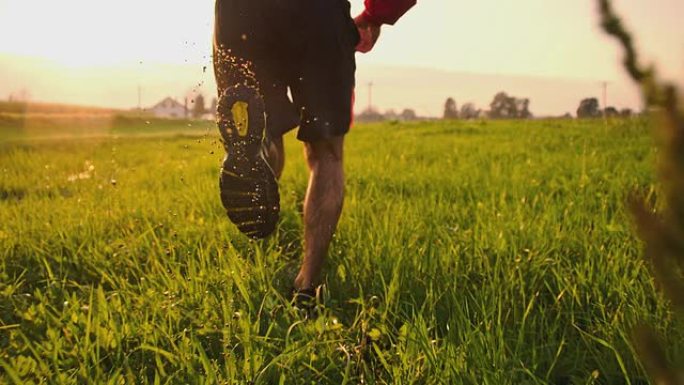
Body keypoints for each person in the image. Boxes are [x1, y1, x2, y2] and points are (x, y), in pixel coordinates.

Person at [213, 0, 415, 301]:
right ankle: (307, 286)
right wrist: (377, 14)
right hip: (317, 16)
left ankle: (257, 148)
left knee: (257, 125)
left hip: (242, 15)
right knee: (327, 152)